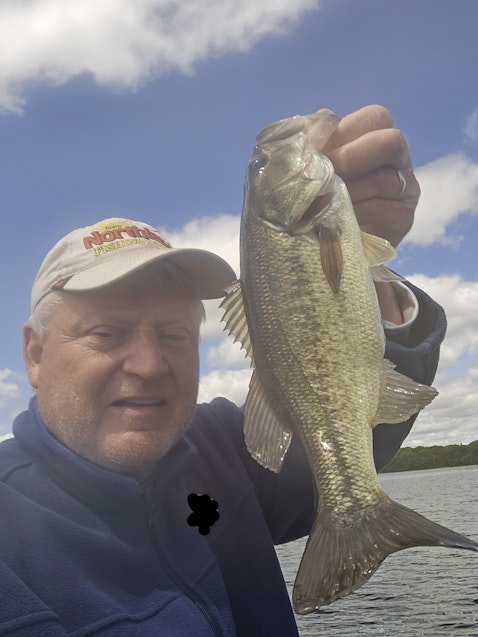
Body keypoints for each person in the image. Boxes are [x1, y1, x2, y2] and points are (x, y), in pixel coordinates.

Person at [0, 105, 446, 636]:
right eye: (107, 334)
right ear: (35, 354)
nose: (149, 365)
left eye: (175, 335)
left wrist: (364, 266)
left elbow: (347, 445)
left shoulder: (221, 448)